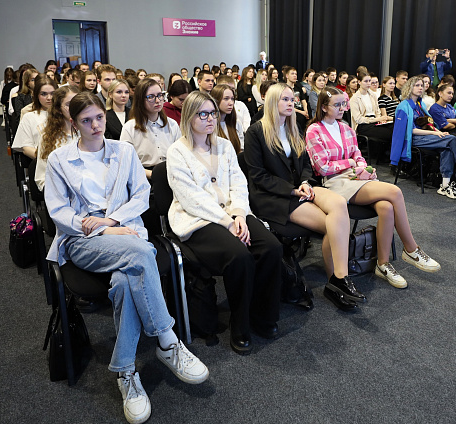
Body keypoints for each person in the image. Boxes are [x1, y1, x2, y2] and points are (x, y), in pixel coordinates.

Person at [44, 92, 208, 424]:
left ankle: (126, 372)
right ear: (74, 123)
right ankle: (168, 341)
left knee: (124, 281)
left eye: (99, 118)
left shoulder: (123, 151)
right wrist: (104, 229)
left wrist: (113, 221)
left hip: (125, 229)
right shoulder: (59, 159)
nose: (95, 126)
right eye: (86, 121)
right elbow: (59, 213)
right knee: (143, 252)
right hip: (82, 239)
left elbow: (142, 195)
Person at [166, 91, 281, 353]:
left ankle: (262, 315)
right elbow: (190, 198)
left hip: (232, 212)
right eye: (202, 114)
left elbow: (239, 183)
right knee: (238, 255)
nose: (210, 119)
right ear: (189, 117)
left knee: (271, 247)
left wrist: (239, 214)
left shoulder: (225, 145)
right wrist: (227, 222)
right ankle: (240, 325)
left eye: (212, 113)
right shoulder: (177, 151)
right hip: (197, 219)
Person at [244, 83, 366, 311]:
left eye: (292, 99)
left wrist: (304, 182)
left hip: (300, 187)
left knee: (339, 204)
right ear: (272, 102)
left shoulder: (294, 127)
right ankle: (337, 281)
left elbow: (306, 164)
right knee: (334, 225)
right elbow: (258, 176)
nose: (291, 103)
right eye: (285, 99)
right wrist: (292, 190)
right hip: (274, 196)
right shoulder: (255, 132)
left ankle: (338, 279)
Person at [306, 87, 441, 288]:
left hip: (355, 178)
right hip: (335, 183)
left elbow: (358, 155)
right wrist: (351, 164)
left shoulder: (346, 128)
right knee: (395, 191)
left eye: (344, 104)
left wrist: (363, 168)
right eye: (337, 105)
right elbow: (323, 167)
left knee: (386, 207)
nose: (343, 108)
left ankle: (383, 264)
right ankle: (411, 249)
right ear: (324, 107)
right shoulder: (314, 130)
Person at [391, 76, 456, 199]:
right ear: (409, 87)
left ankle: (445, 185)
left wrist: (437, 131)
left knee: (447, 147)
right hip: (413, 139)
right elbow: (411, 131)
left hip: (425, 136)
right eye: (417, 85)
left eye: (422, 85)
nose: (420, 88)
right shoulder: (403, 106)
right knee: (452, 139)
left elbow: (429, 124)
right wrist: (435, 133)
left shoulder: (420, 104)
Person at [120, 78, 181, 179]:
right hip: (143, 176)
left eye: (160, 95)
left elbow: (180, 155)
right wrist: (154, 175)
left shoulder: (172, 124)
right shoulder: (129, 128)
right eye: (151, 97)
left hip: (171, 174)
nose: (157, 101)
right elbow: (126, 163)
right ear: (140, 100)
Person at [35, 86, 78, 191]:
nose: (75, 108)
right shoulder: (48, 137)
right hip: (61, 191)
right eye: (69, 104)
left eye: (77, 103)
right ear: (59, 109)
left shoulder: (90, 132)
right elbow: (41, 177)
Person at [12, 75, 57, 159]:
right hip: (41, 160)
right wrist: (47, 160)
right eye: (44, 94)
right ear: (36, 96)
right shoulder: (29, 117)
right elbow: (26, 148)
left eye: (53, 93)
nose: (49, 98)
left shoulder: (65, 114)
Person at [349, 71, 393, 144]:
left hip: (374, 122)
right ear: (359, 82)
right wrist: (376, 119)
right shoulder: (355, 98)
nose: (368, 83)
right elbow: (358, 119)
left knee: (394, 128)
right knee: (389, 134)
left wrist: (380, 120)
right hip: (363, 126)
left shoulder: (373, 95)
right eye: (366, 81)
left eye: (369, 81)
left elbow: (377, 111)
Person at [211, 84, 244, 152]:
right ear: (216, 100)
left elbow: (241, 149)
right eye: (226, 99)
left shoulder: (236, 123)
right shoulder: (210, 125)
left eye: (232, 99)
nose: (231, 103)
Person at [11, 68, 38, 134]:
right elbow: (20, 118)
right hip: (27, 128)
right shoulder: (20, 97)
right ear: (27, 83)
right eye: (33, 80)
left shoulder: (44, 95)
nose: (36, 82)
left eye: (38, 79)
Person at [285, 67, 310, 132]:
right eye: (292, 74)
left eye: (295, 74)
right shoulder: (284, 88)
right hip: (292, 110)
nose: (295, 76)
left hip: (301, 109)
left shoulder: (298, 87)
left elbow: (303, 100)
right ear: (287, 76)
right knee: (299, 118)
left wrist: (306, 111)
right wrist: (302, 112)